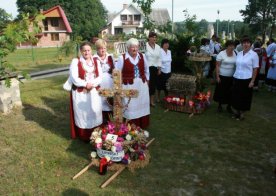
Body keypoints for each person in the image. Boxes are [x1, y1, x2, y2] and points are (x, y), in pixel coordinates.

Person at [69, 41, 103, 141]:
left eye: (88, 50)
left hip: (94, 92)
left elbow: (100, 76)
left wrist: (92, 84)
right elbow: (74, 78)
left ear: (91, 51)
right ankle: (84, 135)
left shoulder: (96, 61)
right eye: (84, 51)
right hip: (82, 93)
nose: (87, 53)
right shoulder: (76, 61)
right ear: (81, 51)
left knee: (95, 111)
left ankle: (96, 133)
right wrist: (85, 84)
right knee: (83, 113)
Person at [115, 38, 150, 129]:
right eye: (132, 47)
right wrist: (119, 87)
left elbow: (147, 70)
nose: (134, 49)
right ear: (128, 48)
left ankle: (142, 124)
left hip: (142, 86)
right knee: (130, 105)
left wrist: (147, 80)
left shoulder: (142, 56)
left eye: (136, 47)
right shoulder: (122, 58)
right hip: (128, 86)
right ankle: (130, 126)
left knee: (142, 103)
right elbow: (117, 73)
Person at [231, 36, 259, 120]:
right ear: (242, 44)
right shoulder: (239, 53)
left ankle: (242, 114)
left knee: (244, 97)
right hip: (237, 77)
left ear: (250, 44)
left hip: (247, 79)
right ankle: (236, 112)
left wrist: (252, 81)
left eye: (247, 43)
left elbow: (255, 69)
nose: (246, 44)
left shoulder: (254, 55)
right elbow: (237, 66)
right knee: (236, 96)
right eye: (244, 43)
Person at [93, 39, 115, 122]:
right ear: (97, 49)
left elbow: (114, 69)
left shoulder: (110, 57)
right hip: (99, 83)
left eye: (104, 48)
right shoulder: (94, 58)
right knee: (100, 100)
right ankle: (101, 118)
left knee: (110, 99)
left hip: (110, 83)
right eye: (101, 48)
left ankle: (111, 118)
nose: (103, 50)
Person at [213, 40, 236, 113]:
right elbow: (217, 66)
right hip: (222, 76)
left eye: (233, 46)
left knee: (230, 92)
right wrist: (217, 76)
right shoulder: (221, 54)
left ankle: (229, 107)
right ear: (227, 46)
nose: (232, 47)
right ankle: (219, 106)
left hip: (231, 77)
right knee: (221, 91)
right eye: (230, 45)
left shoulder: (235, 53)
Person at [145, 32, 162, 107]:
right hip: (146, 68)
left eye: (155, 37)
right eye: (152, 37)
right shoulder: (144, 45)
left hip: (154, 68)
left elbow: (159, 58)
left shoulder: (158, 47)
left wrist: (159, 68)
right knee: (146, 85)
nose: (154, 38)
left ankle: (151, 101)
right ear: (149, 38)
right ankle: (145, 101)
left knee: (153, 85)